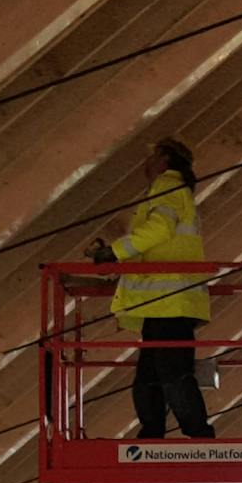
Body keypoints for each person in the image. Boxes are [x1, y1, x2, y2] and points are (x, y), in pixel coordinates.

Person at [89, 138, 212, 439]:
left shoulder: (168, 187)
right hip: (164, 303)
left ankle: (196, 435)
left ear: (165, 160)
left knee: (170, 375)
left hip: (169, 301)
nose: (146, 164)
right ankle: (155, 433)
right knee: (152, 377)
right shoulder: (174, 191)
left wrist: (115, 253)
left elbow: (159, 229)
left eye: (152, 157)